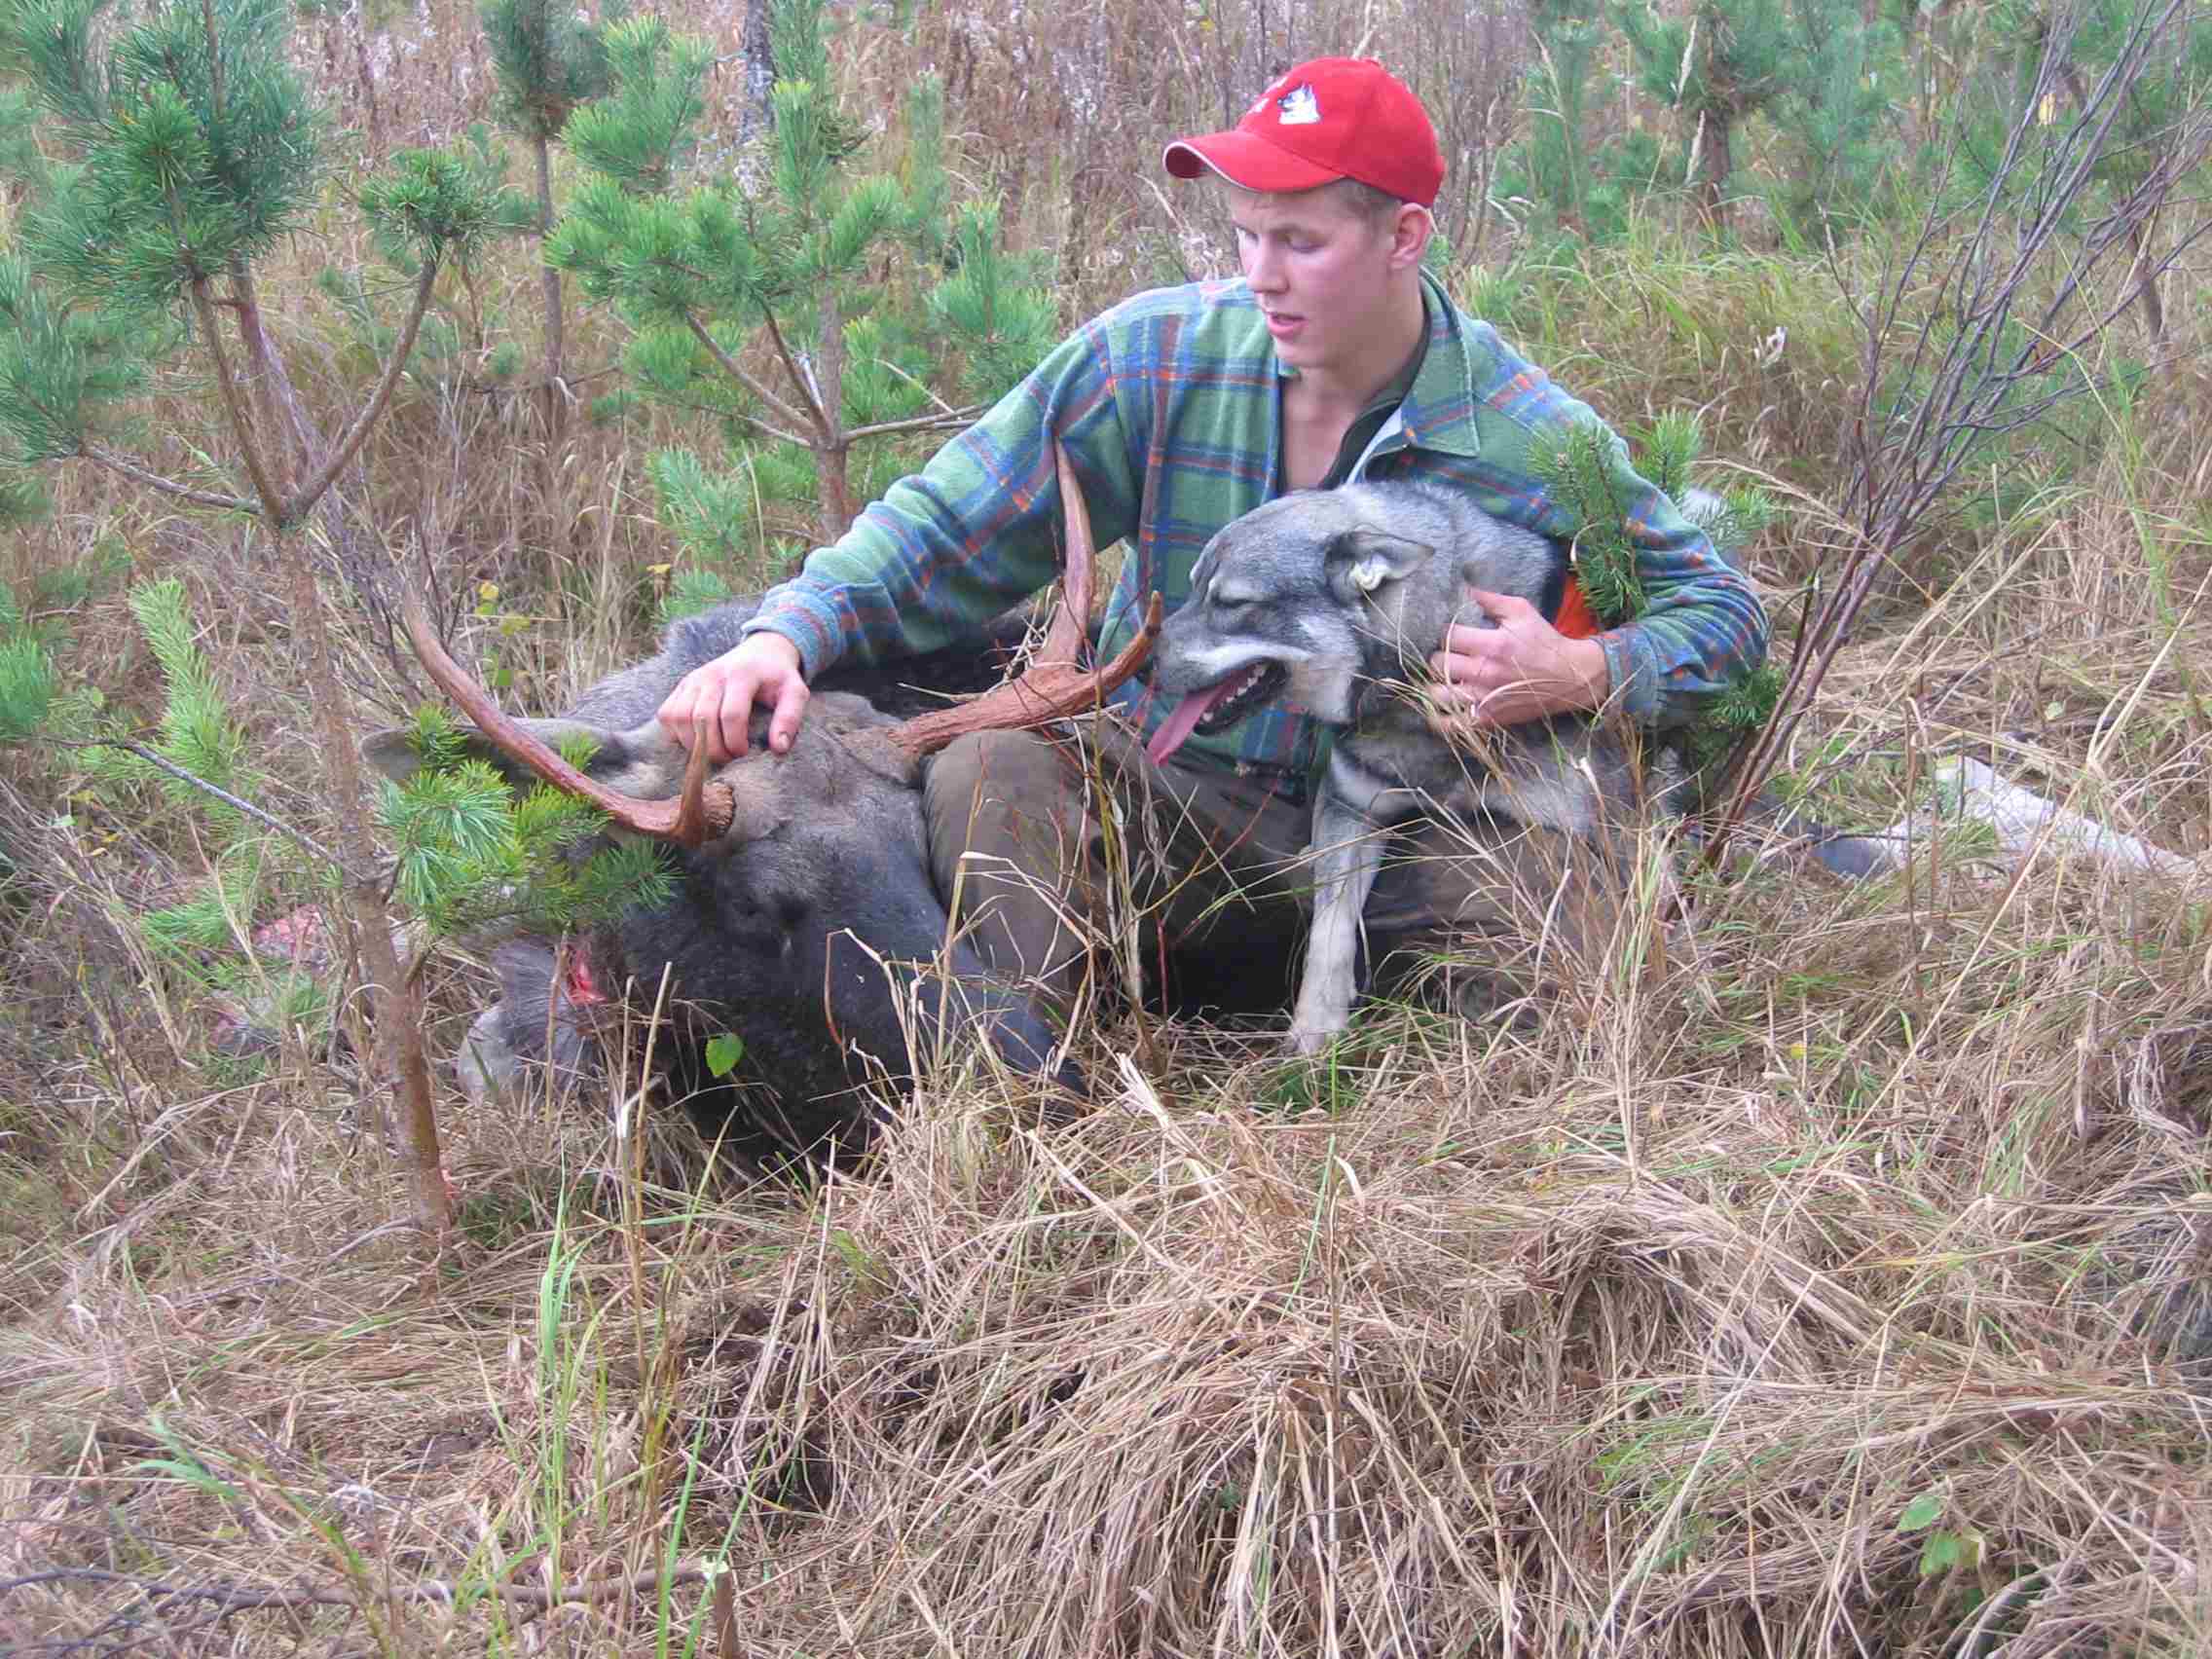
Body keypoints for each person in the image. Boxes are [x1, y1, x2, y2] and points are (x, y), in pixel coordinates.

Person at [654, 57, 1768, 1021]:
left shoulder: (1526, 434)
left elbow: (1724, 616)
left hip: (1408, 832)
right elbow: (949, 523)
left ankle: (1391, 1080)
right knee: (996, 767)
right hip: (1173, 799)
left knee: (1563, 904)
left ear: (1403, 237)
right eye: (1245, 234)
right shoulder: (1153, 356)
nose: (1260, 273)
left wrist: (1582, 668)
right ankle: (1027, 1075)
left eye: (1299, 241)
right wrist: (786, 635)